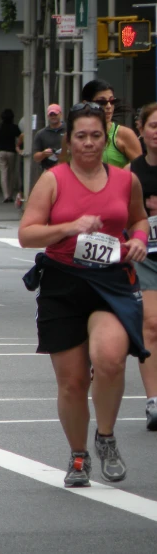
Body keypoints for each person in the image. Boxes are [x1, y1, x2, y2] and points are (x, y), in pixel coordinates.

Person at [19, 101, 149, 487]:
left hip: (110, 280)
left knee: (109, 359)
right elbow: (28, 234)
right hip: (63, 282)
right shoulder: (54, 179)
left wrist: (139, 238)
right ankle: (78, 456)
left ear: (104, 136)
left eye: (96, 135)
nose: (89, 144)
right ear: (69, 139)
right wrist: (70, 226)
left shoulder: (126, 180)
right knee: (73, 382)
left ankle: (105, 437)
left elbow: (139, 218)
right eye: (81, 136)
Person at [127, 102, 157, 431]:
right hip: (147, 256)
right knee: (151, 326)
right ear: (142, 129)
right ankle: (154, 402)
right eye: (153, 125)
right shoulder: (132, 173)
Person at [82, 79, 142, 168]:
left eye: (112, 101)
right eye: (102, 102)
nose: (109, 106)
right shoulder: (72, 135)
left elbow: (142, 172)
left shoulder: (124, 134)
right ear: (86, 104)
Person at [0, 108, 21, 203]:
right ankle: (10, 195)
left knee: (4, 173)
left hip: (1, 152)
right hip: (11, 152)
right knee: (11, 173)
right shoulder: (14, 127)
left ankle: (6, 195)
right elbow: (21, 137)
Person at [32, 104, 66, 172]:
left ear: (61, 114)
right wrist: (44, 154)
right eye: (51, 115)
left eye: (55, 114)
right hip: (49, 170)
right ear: (48, 116)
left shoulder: (69, 130)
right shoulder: (41, 134)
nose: (53, 117)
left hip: (68, 169)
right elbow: (35, 157)